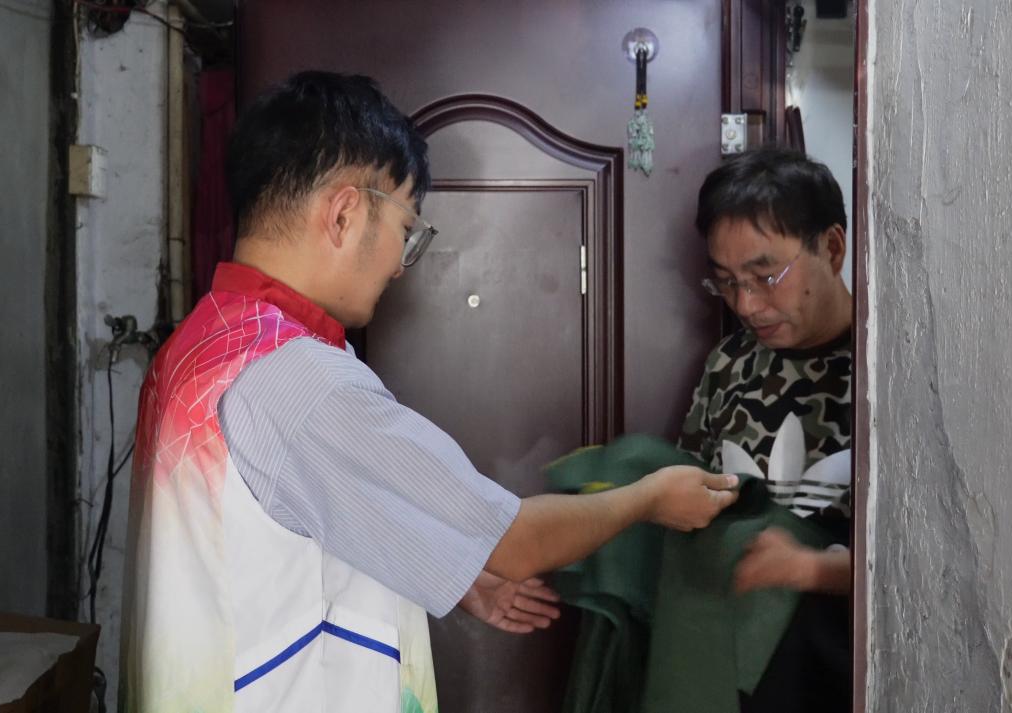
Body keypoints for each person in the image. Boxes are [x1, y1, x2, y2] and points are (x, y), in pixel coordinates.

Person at [118, 70, 738, 713]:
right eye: (406, 228)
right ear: (343, 213)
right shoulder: (299, 379)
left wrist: (450, 563)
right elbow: (517, 542)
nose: (399, 263)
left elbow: (298, 511)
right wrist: (649, 498)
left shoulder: (200, 344)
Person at [677, 147, 853, 712]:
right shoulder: (728, 365)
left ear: (832, 248)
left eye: (765, 275)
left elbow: (927, 559)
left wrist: (812, 569)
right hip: (732, 676)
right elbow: (689, 495)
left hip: (844, 679)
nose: (747, 305)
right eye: (727, 282)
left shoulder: (889, 374)